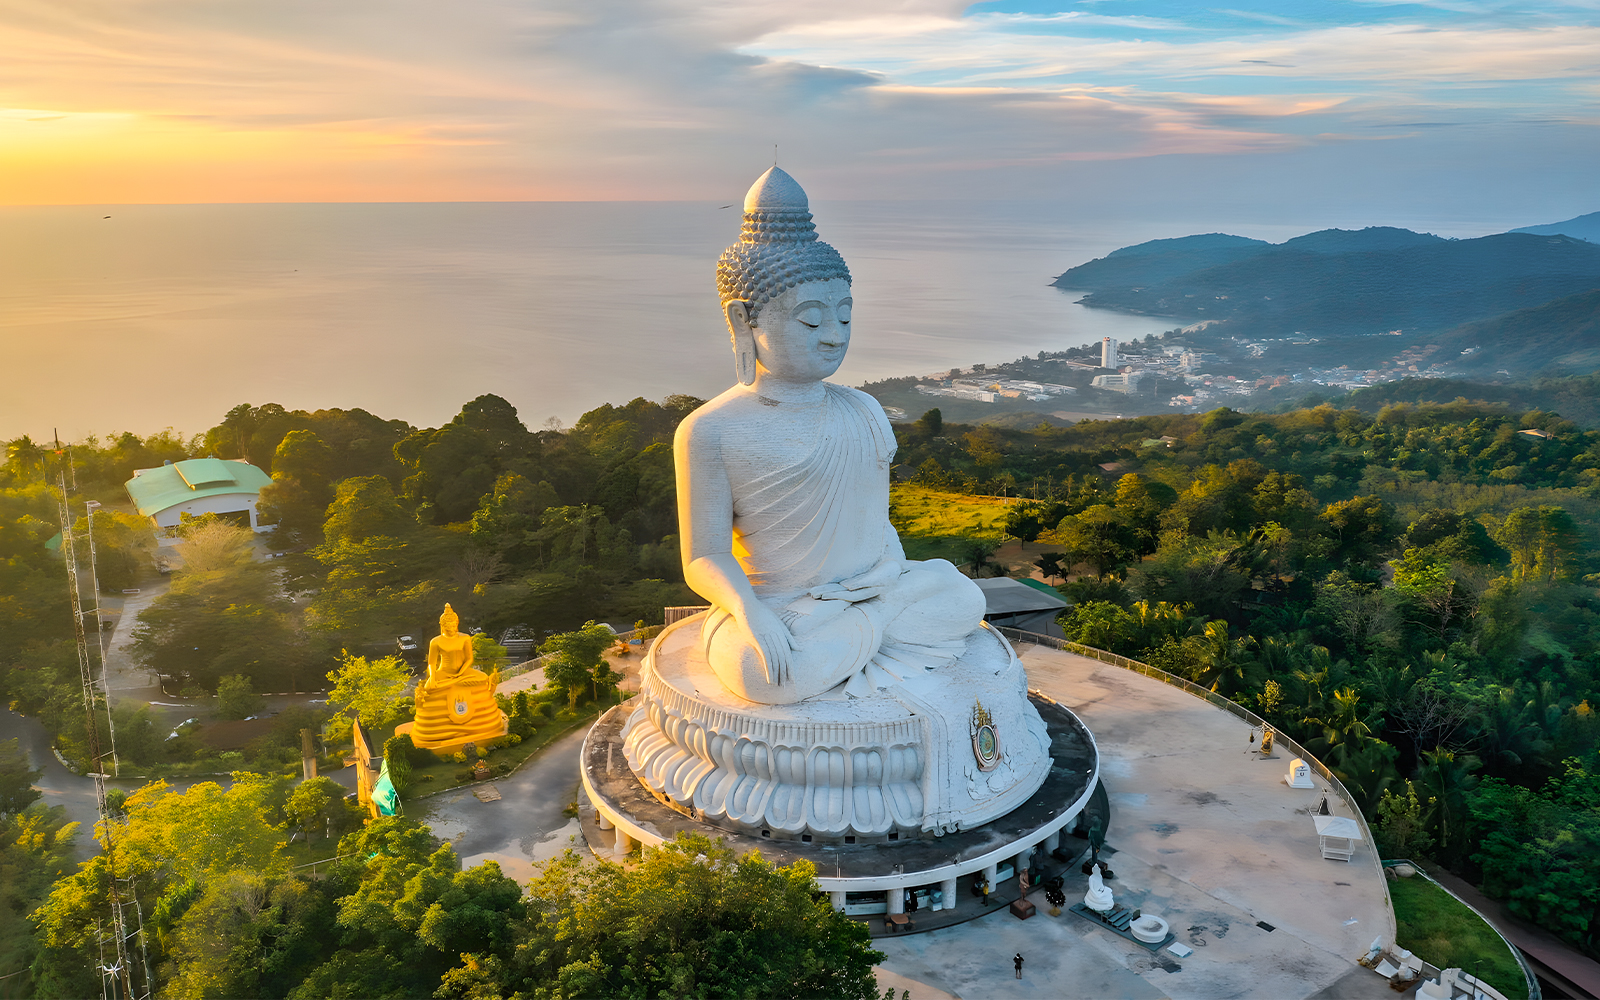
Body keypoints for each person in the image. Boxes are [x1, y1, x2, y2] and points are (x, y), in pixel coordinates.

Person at [675, 166, 986, 705]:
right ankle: (859, 635)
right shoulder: (711, 429)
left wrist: (886, 573)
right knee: (762, 673)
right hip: (782, 607)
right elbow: (703, 558)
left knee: (962, 597)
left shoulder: (862, 409)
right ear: (743, 320)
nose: (834, 338)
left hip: (869, 594)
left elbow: (877, 522)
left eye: (844, 318)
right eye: (811, 321)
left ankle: (870, 626)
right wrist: (753, 614)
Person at [409, 604, 506, 749]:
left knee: (483, 678)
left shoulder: (465, 638)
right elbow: (432, 664)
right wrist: (433, 677)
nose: (452, 627)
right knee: (429, 688)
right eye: (449, 625)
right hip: (444, 672)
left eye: (454, 624)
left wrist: (461, 673)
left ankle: (466, 691)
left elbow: (469, 659)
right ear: (442, 625)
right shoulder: (435, 641)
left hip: (464, 671)